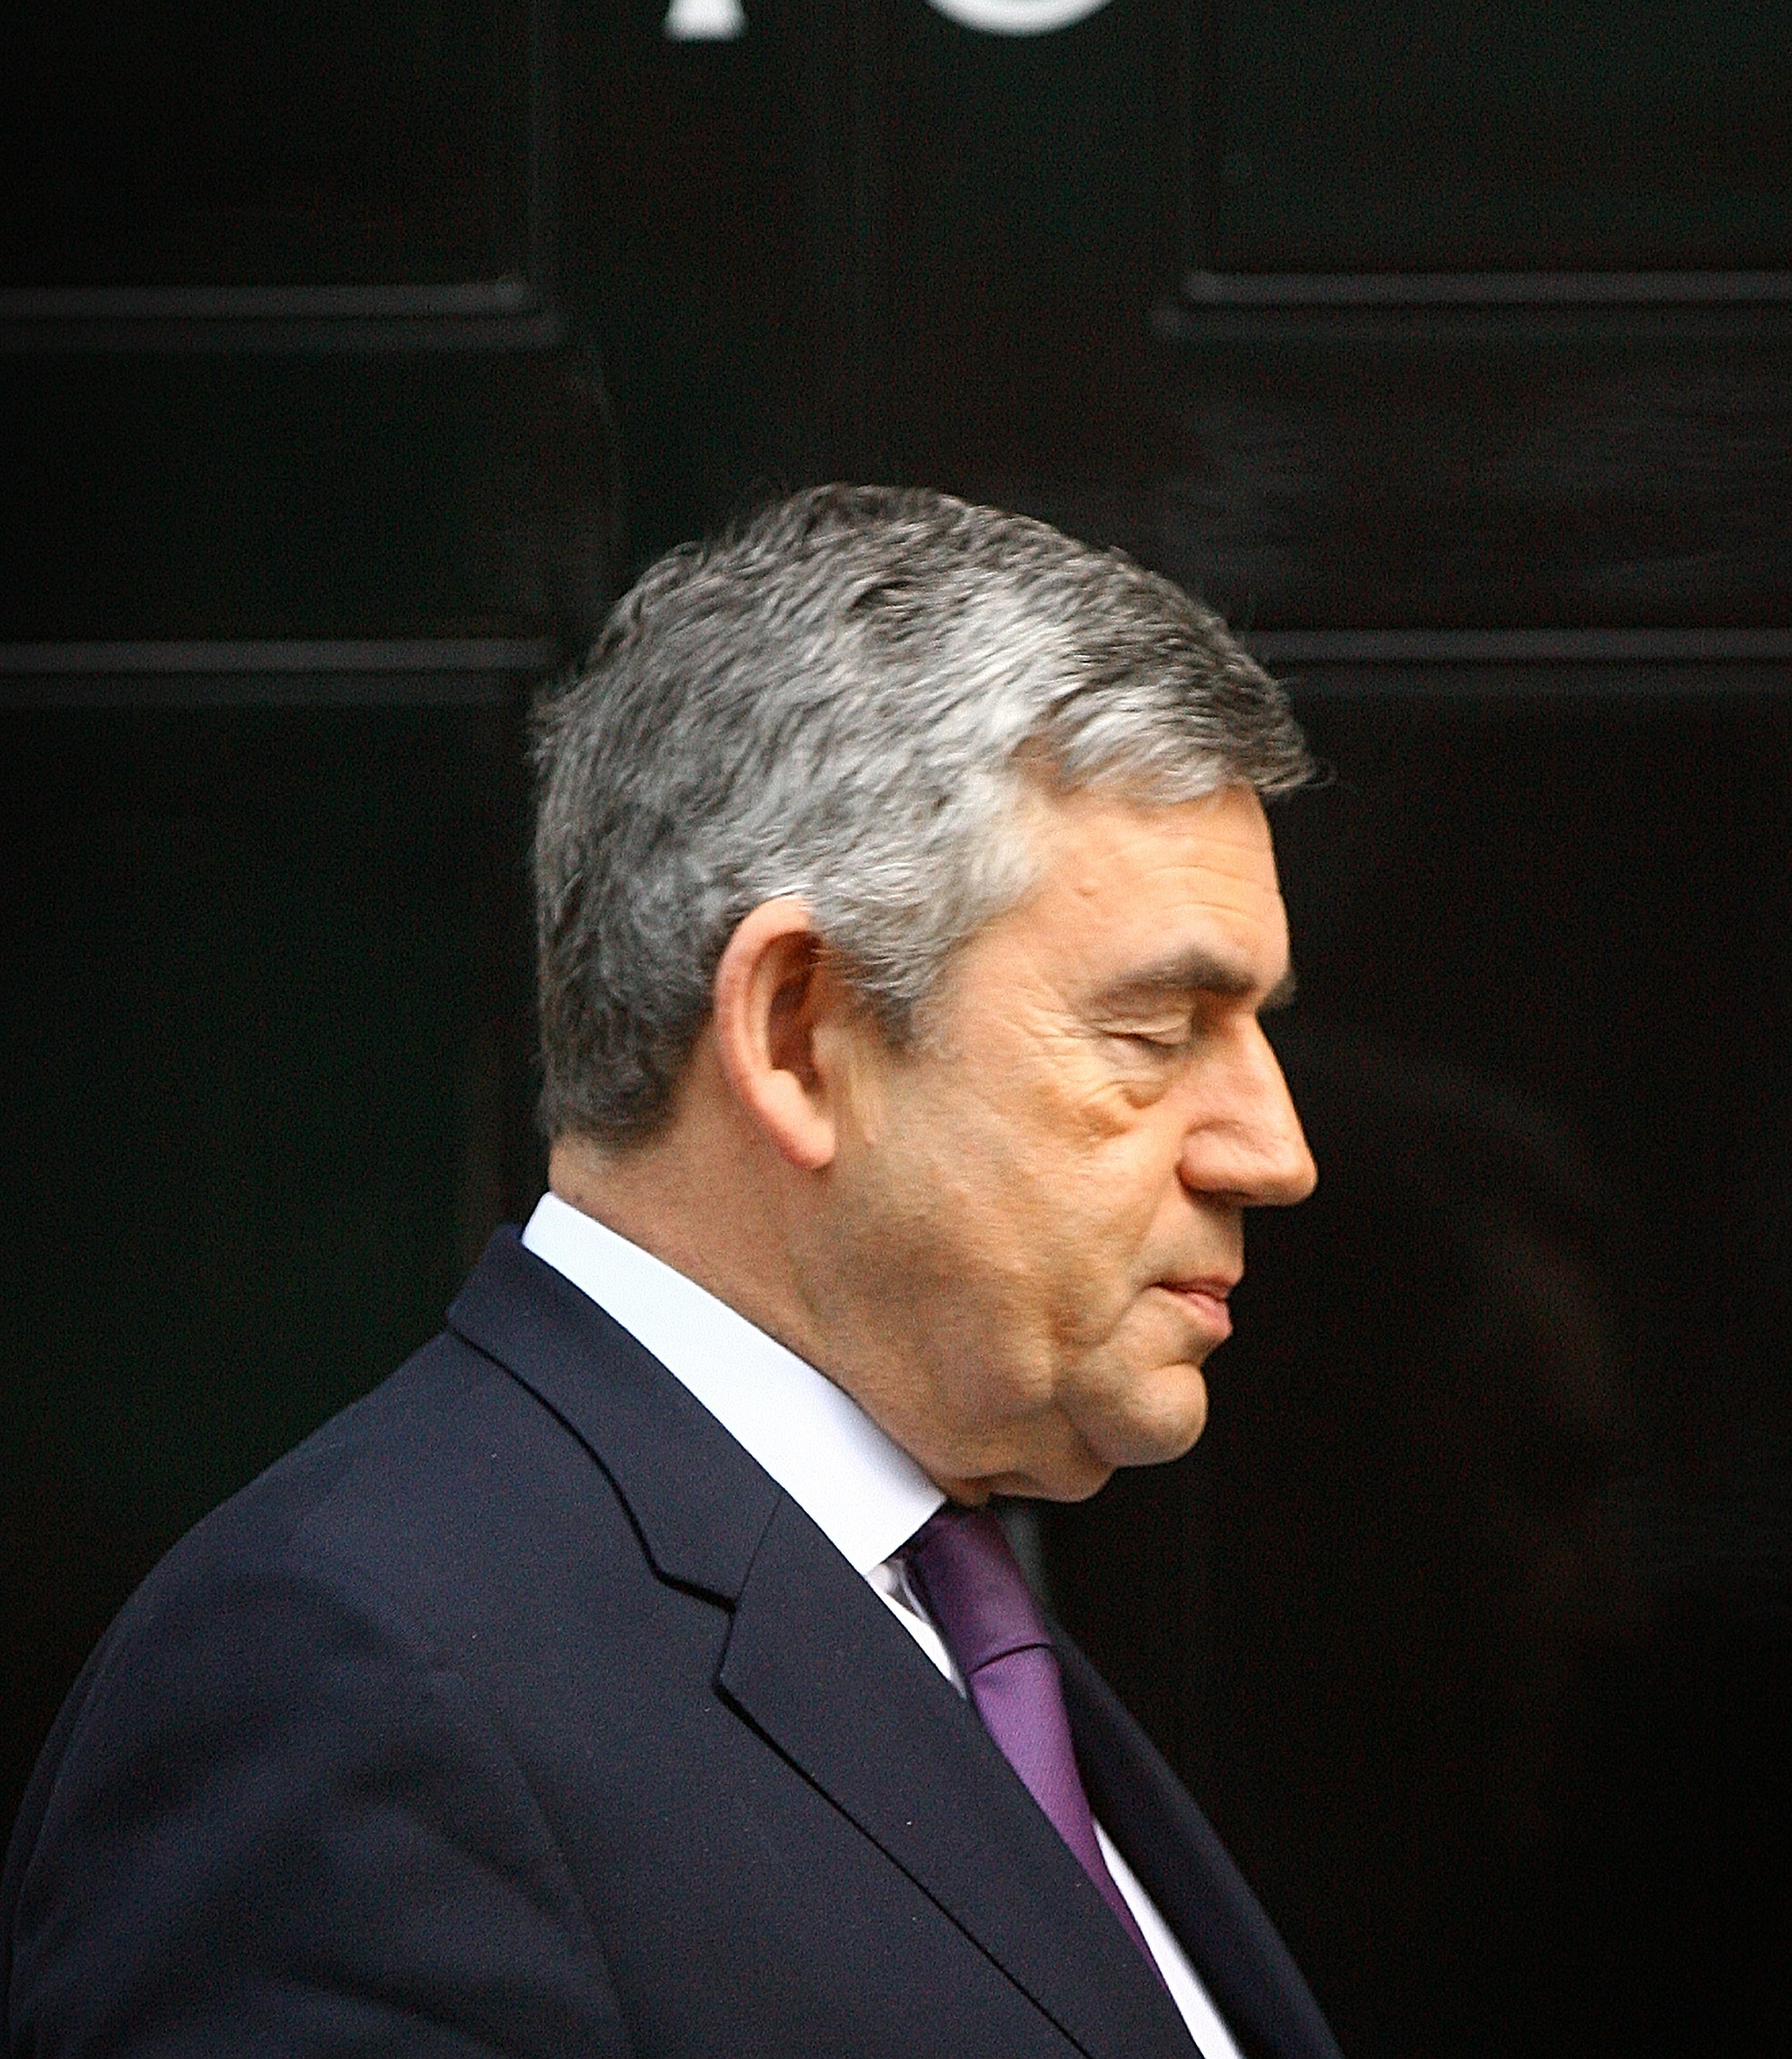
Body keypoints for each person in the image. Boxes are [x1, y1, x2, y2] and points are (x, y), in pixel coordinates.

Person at [3, 486, 1341, 2059]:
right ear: (794, 1031)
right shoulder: (344, 1679)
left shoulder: (945, 1605)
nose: (1275, 1150)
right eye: (1155, 1031)